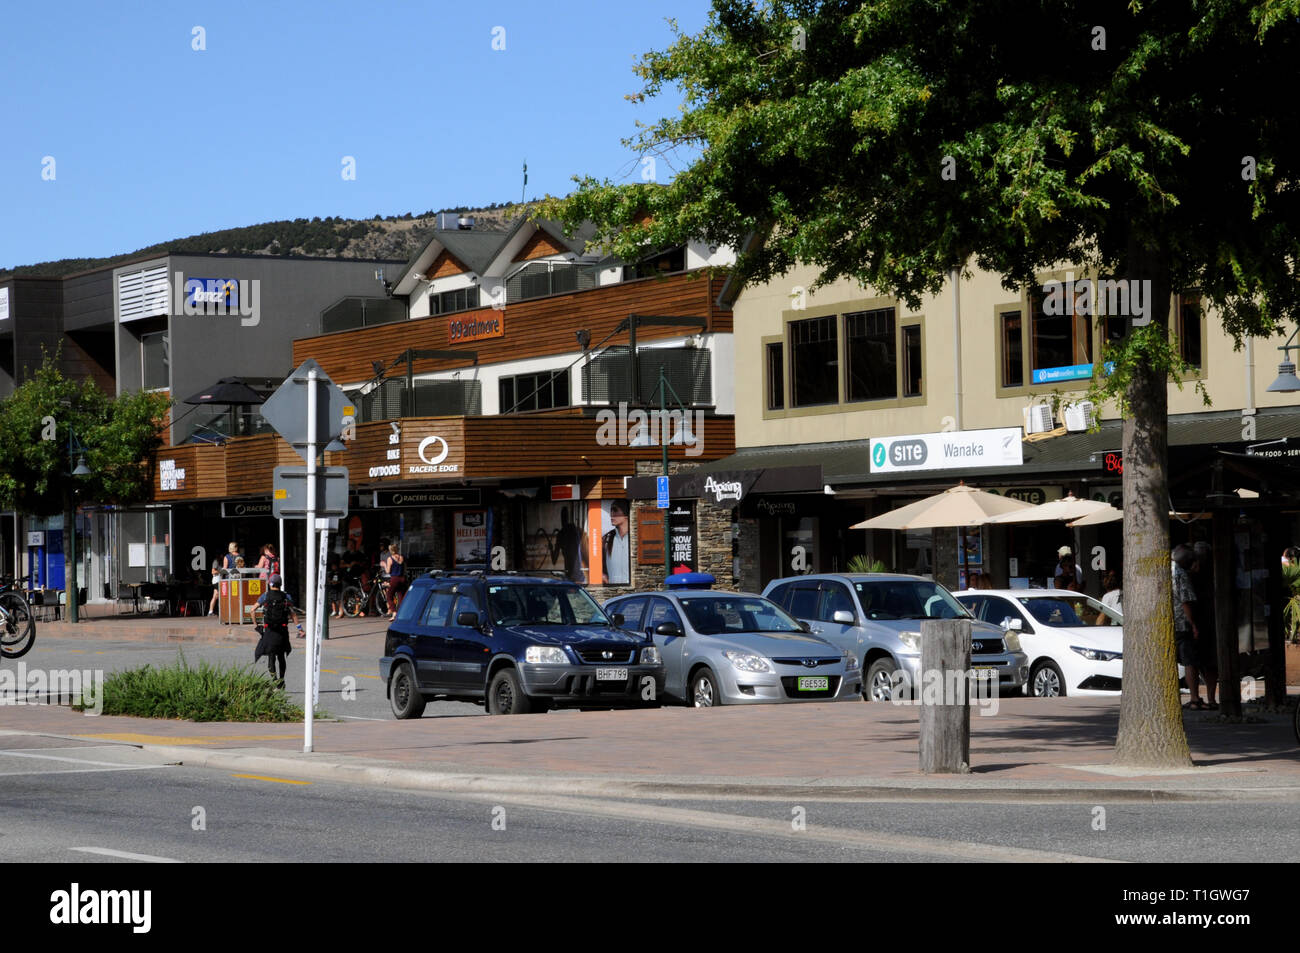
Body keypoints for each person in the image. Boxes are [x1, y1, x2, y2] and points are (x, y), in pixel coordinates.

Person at [1172, 544, 1204, 709]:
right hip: (1182, 623)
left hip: (1169, 622)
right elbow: (1185, 601)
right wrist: (1193, 624)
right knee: (1189, 661)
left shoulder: (1167, 569)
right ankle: (1194, 698)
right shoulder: (1181, 574)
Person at [254, 574, 297, 687]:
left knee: (271, 657)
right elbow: (293, 613)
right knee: (281, 657)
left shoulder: (265, 596)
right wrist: (299, 628)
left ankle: (275, 681)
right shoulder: (286, 596)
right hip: (282, 630)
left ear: (270, 584)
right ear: (280, 584)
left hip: (269, 630)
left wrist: (256, 625)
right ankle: (282, 679)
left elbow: (252, 610)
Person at [1192, 541, 1219, 709]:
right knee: (1206, 663)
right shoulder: (1210, 574)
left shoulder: (1193, 575)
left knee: (1197, 662)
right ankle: (1209, 698)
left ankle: (1199, 697)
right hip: (1207, 621)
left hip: (1202, 622)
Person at [603, 499, 631, 585]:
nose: (612, 514)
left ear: (626, 515)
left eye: (615, 510)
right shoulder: (606, 539)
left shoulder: (634, 537)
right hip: (612, 587)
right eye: (611, 511)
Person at [381, 541, 407, 620]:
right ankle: (402, 614)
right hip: (402, 578)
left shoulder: (390, 558)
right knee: (400, 596)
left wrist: (384, 565)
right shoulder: (402, 557)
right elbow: (405, 569)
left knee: (389, 596)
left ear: (391, 550)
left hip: (395, 578)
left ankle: (394, 613)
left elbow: (388, 571)